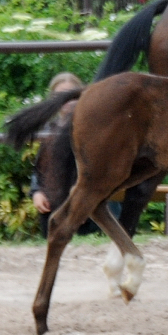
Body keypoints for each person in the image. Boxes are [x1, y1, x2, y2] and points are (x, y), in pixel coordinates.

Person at [30, 72, 120, 237]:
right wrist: (37, 192)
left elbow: (104, 172)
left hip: (92, 211)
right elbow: (40, 168)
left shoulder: (97, 127)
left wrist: (83, 203)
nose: (66, 100)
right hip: (55, 208)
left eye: (70, 95)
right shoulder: (48, 130)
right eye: (59, 96)